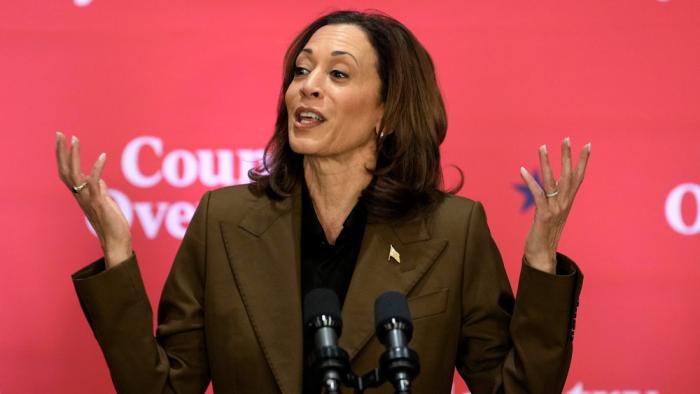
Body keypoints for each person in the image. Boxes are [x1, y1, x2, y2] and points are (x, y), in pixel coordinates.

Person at [55, 10, 590, 394]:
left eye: (337, 74)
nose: (306, 87)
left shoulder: (455, 229)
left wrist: (542, 260)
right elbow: (166, 388)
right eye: (301, 70)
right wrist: (119, 253)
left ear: (386, 111)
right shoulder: (224, 220)